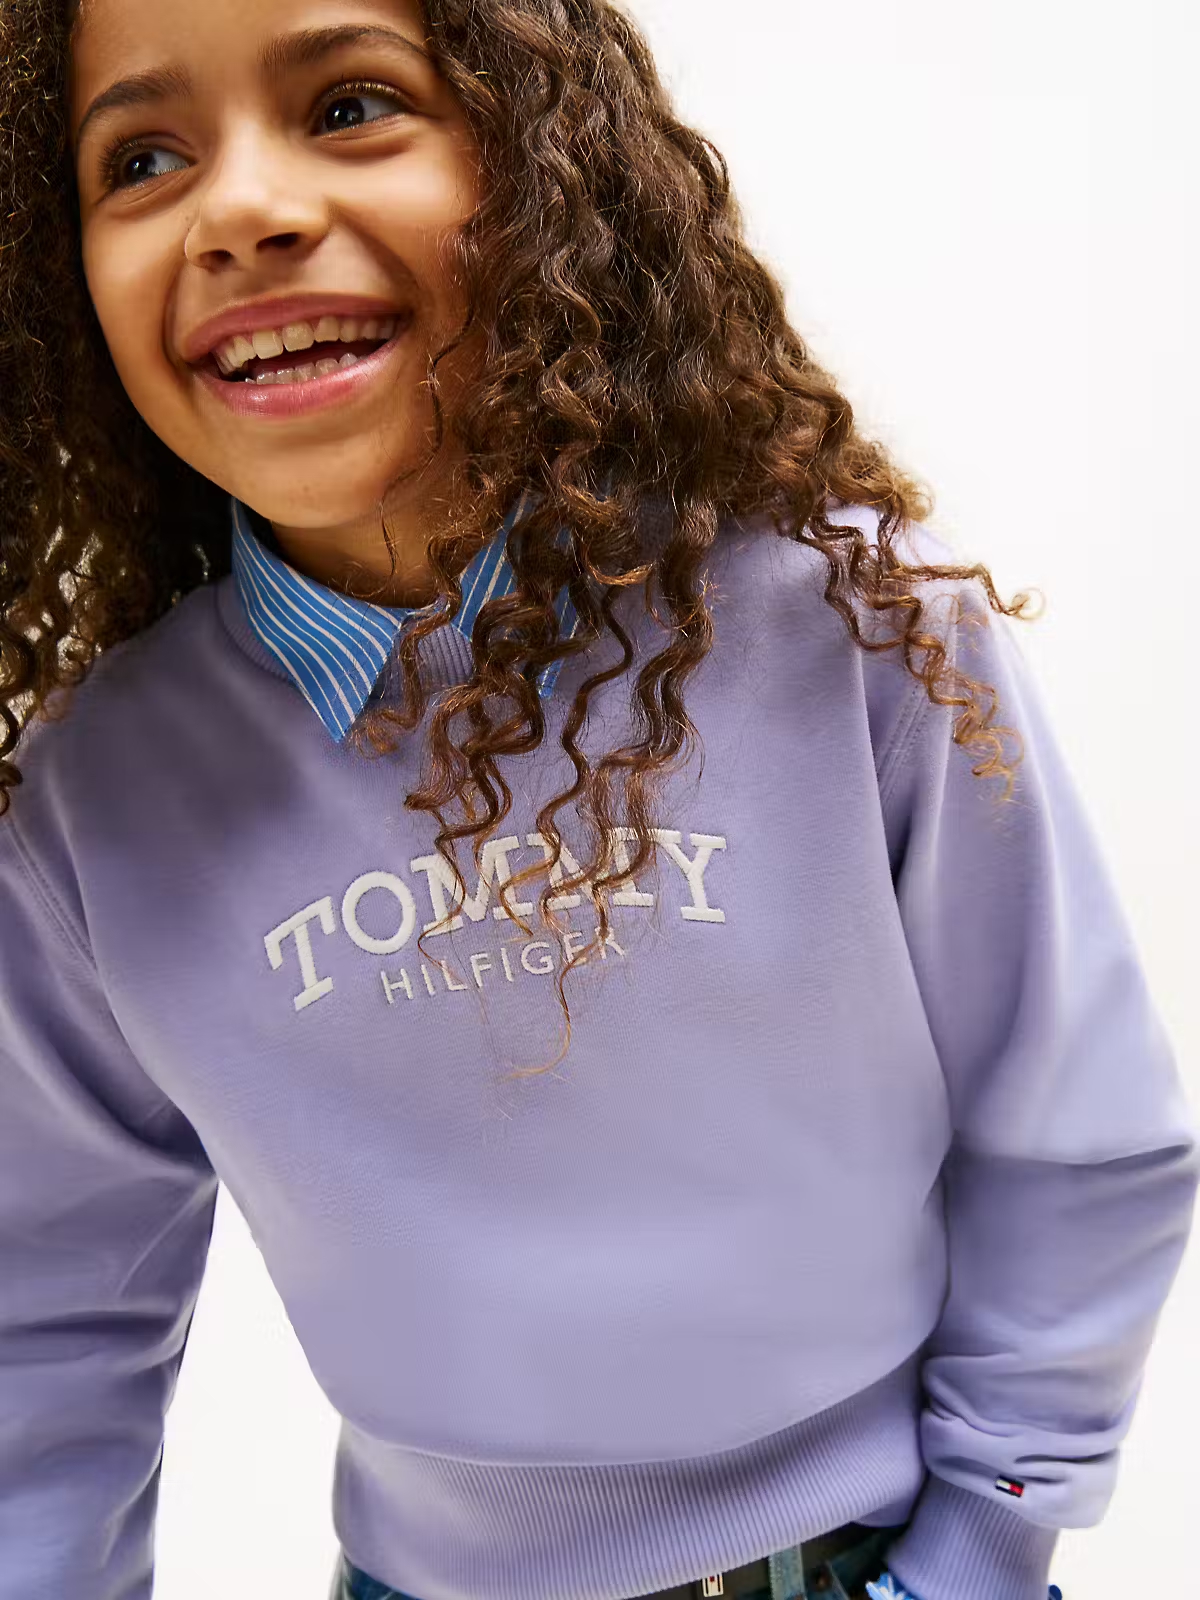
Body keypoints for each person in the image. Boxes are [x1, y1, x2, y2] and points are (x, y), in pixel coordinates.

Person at [0, 1, 1194, 1598]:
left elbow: (1076, 1141)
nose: (244, 210)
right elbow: (46, 1327)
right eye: (142, 160)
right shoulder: (92, 804)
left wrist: (986, 1547)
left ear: (543, 162)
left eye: (349, 105)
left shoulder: (856, 624)